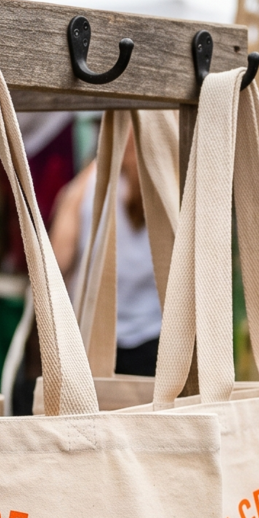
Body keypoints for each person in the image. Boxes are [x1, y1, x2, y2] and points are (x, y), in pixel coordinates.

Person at [51, 127, 162, 375]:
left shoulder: (90, 183)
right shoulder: (170, 183)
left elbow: (59, 260)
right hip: (154, 338)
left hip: (92, 337)